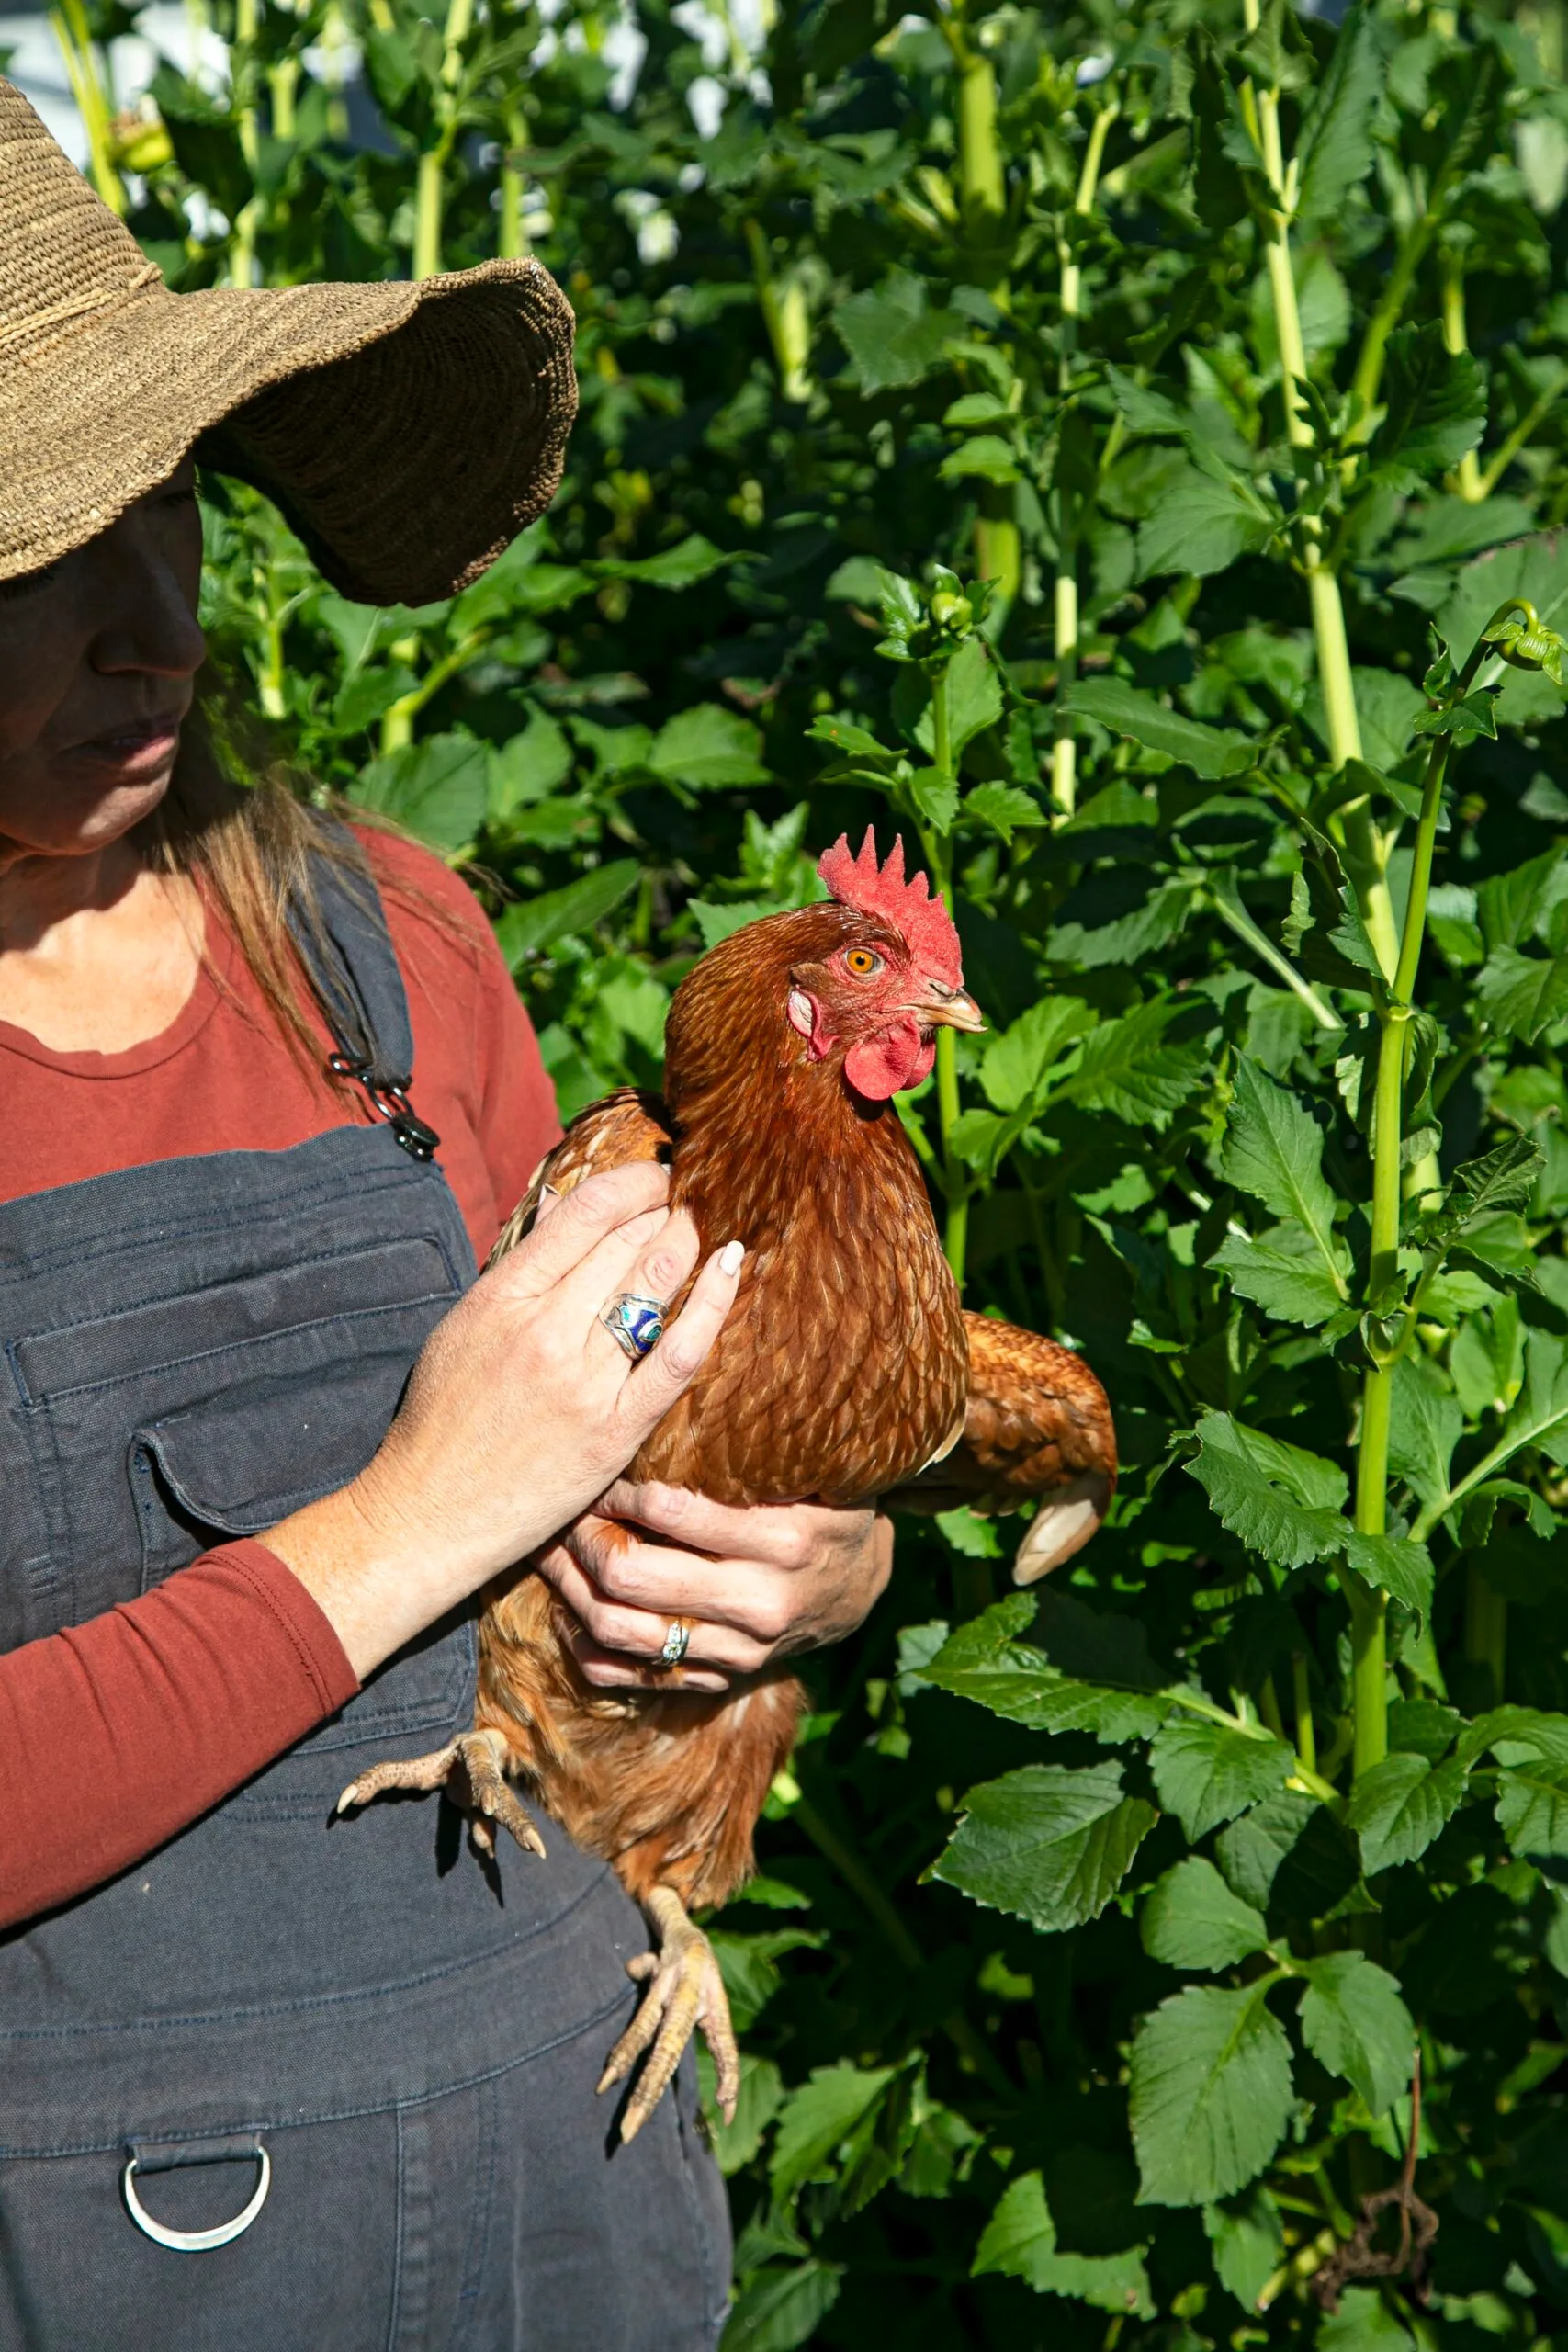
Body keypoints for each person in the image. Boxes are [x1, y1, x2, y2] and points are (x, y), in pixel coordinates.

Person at [0, 80, 891, 2349]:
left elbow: (608, 1461)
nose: (153, 619)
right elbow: (460, 1486)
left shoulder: (378, 940)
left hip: (563, 2213)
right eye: (39, 547)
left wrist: (791, 1563)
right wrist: (410, 1516)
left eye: (170, 501)